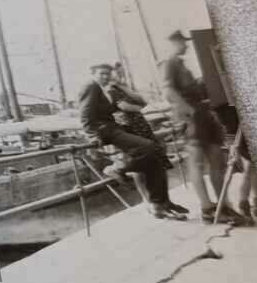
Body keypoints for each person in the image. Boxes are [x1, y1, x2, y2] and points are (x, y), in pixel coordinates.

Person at [158, 31, 247, 224]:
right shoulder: (169, 63)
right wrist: (188, 112)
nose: (186, 46)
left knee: (217, 161)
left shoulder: (181, 65)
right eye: (182, 42)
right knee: (197, 164)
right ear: (173, 42)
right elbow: (168, 90)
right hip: (192, 118)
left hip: (204, 115)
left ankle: (224, 205)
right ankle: (207, 208)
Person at [79, 63, 186, 220]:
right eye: (102, 73)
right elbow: (85, 115)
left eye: (108, 74)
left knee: (155, 159)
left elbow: (140, 102)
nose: (106, 76)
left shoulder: (106, 89)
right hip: (106, 131)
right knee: (148, 147)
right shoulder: (91, 86)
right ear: (93, 73)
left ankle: (160, 204)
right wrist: (92, 136)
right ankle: (118, 169)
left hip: (116, 128)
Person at [108, 63, 183, 212]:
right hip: (130, 129)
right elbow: (125, 107)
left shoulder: (123, 89)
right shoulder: (111, 91)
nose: (121, 75)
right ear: (111, 75)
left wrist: (125, 88)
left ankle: (163, 201)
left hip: (141, 126)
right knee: (142, 166)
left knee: (158, 161)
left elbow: (142, 100)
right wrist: (141, 107)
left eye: (122, 72)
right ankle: (148, 201)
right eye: (117, 73)